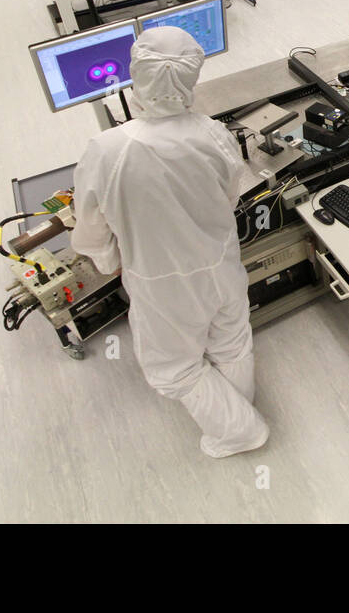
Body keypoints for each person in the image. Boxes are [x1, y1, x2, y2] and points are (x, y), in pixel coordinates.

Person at [71, 28, 269, 459]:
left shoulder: (106, 150)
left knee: (174, 369)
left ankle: (240, 430)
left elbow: (90, 232)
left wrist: (109, 258)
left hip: (162, 286)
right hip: (221, 267)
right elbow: (229, 195)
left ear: (135, 74)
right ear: (191, 77)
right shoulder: (216, 134)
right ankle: (239, 404)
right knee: (232, 342)